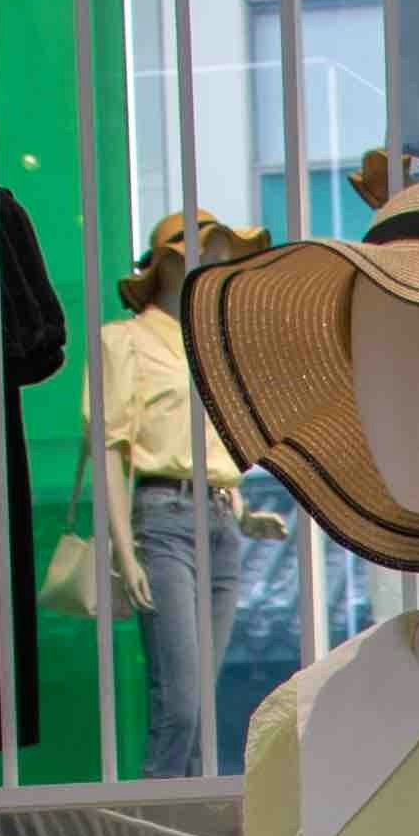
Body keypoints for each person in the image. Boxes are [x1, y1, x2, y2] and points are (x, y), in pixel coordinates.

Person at [95, 208, 273, 776]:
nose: (220, 266)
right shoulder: (124, 341)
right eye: (211, 254)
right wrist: (124, 551)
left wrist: (243, 515)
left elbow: (212, 446)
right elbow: (112, 449)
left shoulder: (213, 345)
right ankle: (156, 835)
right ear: (174, 262)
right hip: (162, 519)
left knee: (200, 706)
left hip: (220, 523)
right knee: (180, 707)